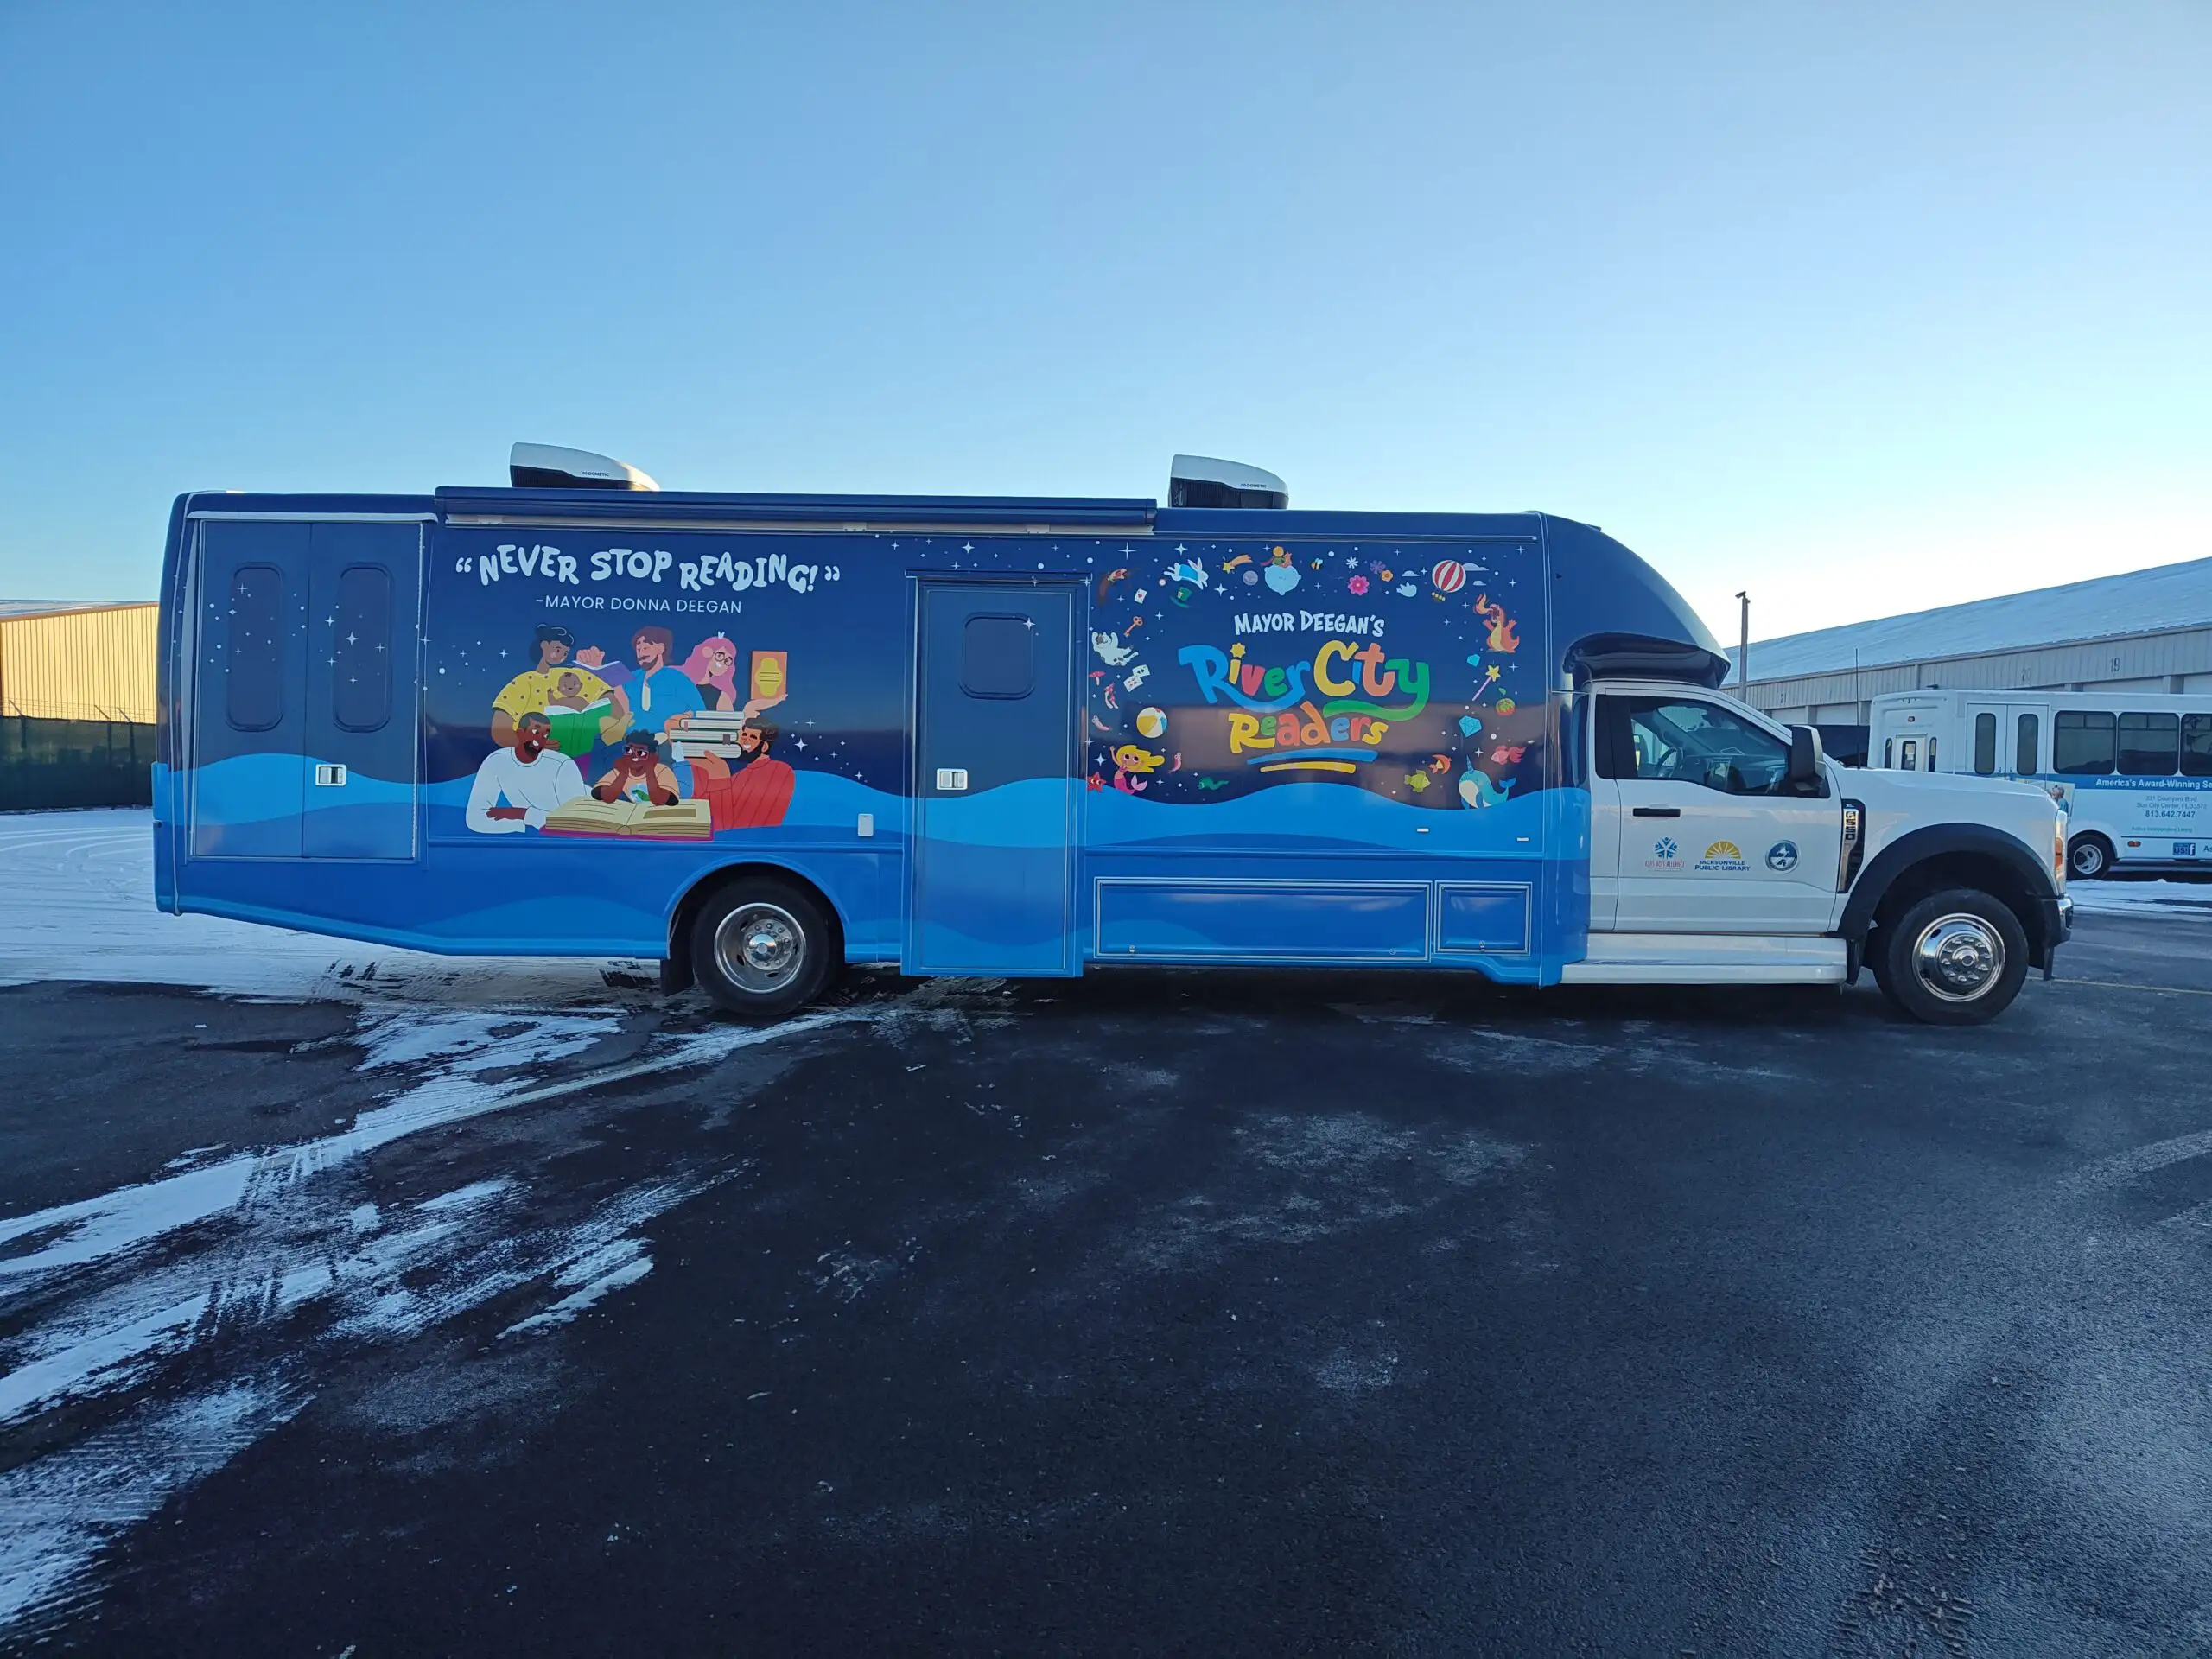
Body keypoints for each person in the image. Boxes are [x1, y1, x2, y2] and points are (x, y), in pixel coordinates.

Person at [466, 712, 589, 833]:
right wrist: (523, 825)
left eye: (545, 735)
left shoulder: (562, 765)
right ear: (520, 733)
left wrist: (524, 814)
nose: (539, 740)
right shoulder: (496, 761)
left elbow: (577, 822)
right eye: (535, 732)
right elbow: (475, 819)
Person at [491, 625, 610, 749]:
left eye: (565, 653)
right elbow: (499, 731)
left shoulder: (577, 675)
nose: (561, 656)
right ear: (544, 645)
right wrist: (533, 744)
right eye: (557, 650)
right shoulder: (523, 682)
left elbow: (612, 702)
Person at [596, 626, 706, 747]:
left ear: (661, 648)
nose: (641, 653)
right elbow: (618, 710)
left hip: (665, 746)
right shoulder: (628, 679)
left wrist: (685, 717)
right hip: (629, 744)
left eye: (646, 648)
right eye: (638, 649)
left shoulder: (678, 679)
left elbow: (700, 712)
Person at [691, 719, 796, 830]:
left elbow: (732, 829)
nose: (745, 741)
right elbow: (700, 808)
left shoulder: (779, 771)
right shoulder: (738, 776)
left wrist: (719, 778)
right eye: (744, 735)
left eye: (752, 738)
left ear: (764, 746)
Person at [594, 729, 682, 806]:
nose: (634, 756)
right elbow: (607, 798)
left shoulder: (662, 771)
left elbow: (658, 801)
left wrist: (650, 771)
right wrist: (623, 774)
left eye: (641, 753)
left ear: (652, 757)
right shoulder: (620, 771)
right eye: (629, 750)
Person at [680, 636, 741, 710]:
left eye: (728, 660)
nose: (723, 663)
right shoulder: (681, 686)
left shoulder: (722, 697)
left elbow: (730, 721)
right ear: (707, 652)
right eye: (720, 656)